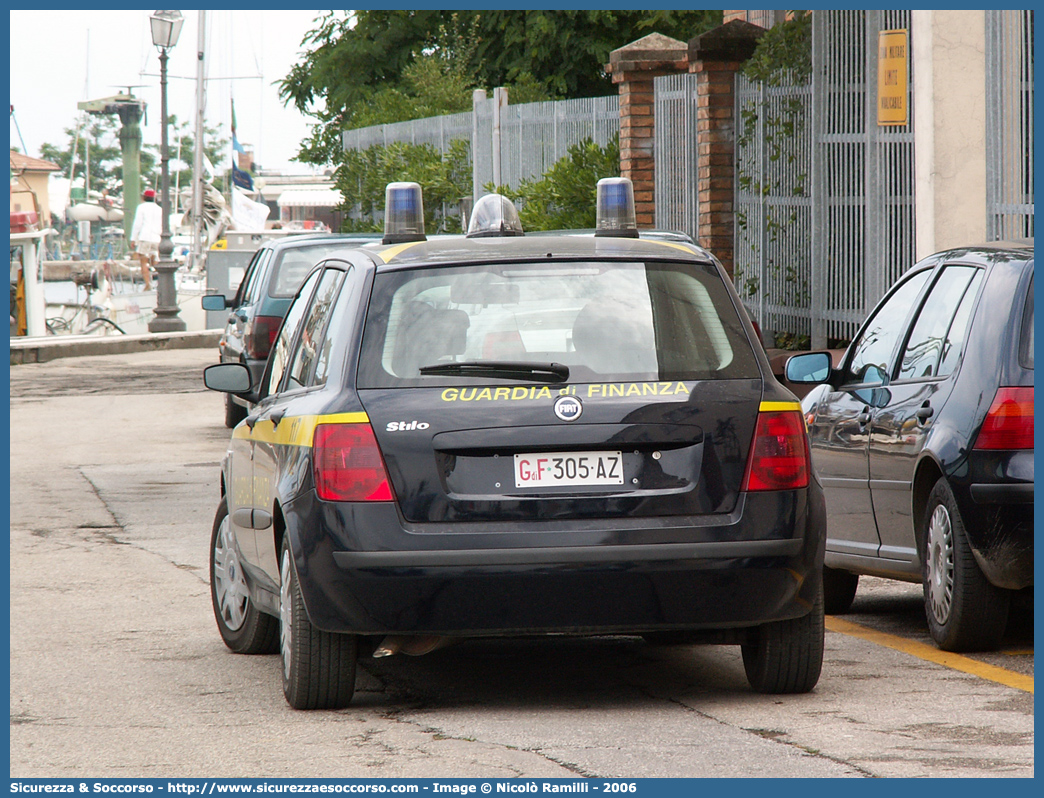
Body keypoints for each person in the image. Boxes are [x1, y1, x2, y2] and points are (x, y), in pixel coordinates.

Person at [129, 188, 161, 290]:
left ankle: (148, 284)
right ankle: (160, 282)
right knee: (155, 261)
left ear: (144, 197)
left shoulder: (141, 208)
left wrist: (133, 238)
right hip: (157, 238)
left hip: (145, 237)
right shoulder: (160, 209)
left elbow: (138, 224)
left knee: (144, 262)